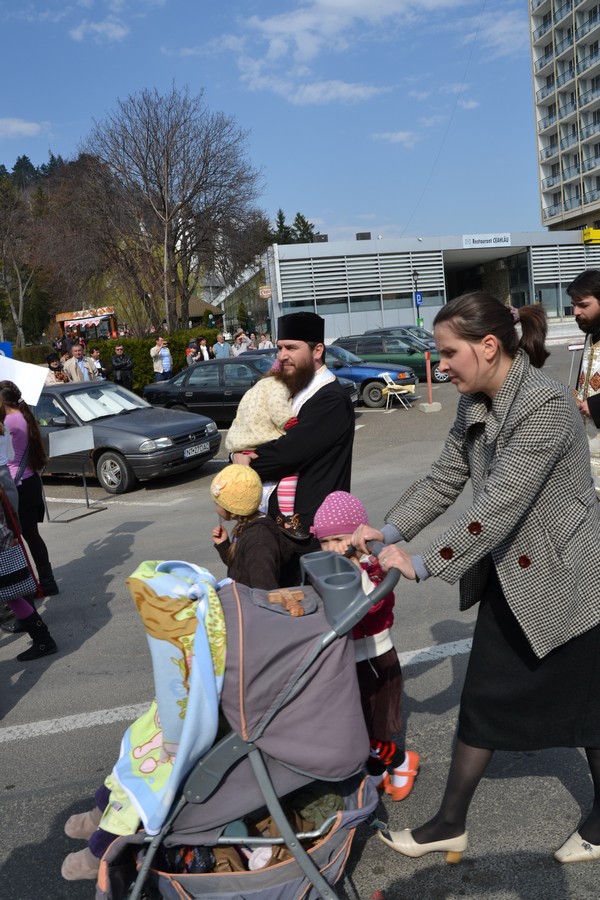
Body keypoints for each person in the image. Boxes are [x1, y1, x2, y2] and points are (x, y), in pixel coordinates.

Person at [351, 291, 600, 866]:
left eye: (447, 353)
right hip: (513, 578)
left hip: (568, 582)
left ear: (488, 347)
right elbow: (445, 476)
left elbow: (501, 504)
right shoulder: (475, 401)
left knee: (592, 711)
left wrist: (425, 561)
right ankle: (449, 823)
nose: (439, 366)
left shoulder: (542, 404)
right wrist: (388, 532)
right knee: (485, 696)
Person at [231, 311, 355, 586]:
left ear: (317, 350)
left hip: (311, 536)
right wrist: (237, 453)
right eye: (279, 348)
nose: (282, 355)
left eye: (292, 348)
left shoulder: (330, 399)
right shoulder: (290, 389)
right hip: (281, 533)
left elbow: (289, 453)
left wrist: (244, 460)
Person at [312, 491, 419, 801]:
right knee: (357, 720)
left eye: (339, 540)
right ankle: (377, 772)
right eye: (324, 542)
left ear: (357, 538)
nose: (332, 548)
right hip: (347, 658)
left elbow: (373, 606)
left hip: (375, 656)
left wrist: (355, 576)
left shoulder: (372, 568)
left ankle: (400, 760)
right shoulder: (328, 569)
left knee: (373, 726)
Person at [225, 365, 307, 539]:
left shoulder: (254, 389)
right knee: (290, 472)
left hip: (242, 444)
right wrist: (291, 424)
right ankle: (286, 515)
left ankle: (245, 517)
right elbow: (277, 407)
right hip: (261, 439)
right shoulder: (279, 385)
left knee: (250, 485)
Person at [0, 381, 59, 597]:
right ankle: (47, 580)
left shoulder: (8, 421)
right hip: (29, 480)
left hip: (17, 485)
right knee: (32, 535)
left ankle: (25, 584)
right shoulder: (22, 415)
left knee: (14, 538)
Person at [210, 464, 294, 589]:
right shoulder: (246, 526)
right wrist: (224, 545)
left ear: (232, 507)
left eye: (217, 503)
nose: (216, 509)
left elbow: (264, 590)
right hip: (246, 601)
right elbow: (239, 568)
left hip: (252, 606)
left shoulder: (259, 541)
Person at [566, 268, 600, 494]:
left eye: (584, 305)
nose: (576, 311)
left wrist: (596, 405)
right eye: (573, 305)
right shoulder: (592, 332)